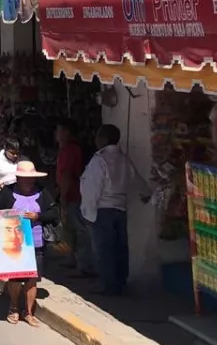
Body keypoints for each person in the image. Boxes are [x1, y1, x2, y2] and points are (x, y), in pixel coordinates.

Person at [81, 124, 151, 296]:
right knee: (120, 247)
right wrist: (145, 193)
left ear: (104, 139)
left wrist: (87, 213)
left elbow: (92, 190)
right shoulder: (123, 159)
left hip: (102, 210)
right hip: (120, 209)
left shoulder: (99, 160)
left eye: (98, 136)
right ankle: (120, 281)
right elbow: (137, 179)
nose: (96, 140)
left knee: (104, 249)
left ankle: (108, 284)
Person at [0, 161, 59, 325]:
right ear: (18, 178)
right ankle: (13, 307)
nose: (28, 181)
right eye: (25, 178)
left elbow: (54, 212)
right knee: (15, 279)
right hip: (14, 243)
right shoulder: (8, 192)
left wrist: (38, 216)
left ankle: (28, 312)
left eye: (31, 178)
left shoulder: (42, 192)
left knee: (32, 279)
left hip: (36, 242)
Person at [55, 119, 94, 276]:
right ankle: (71, 257)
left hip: (73, 194)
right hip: (69, 193)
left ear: (66, 132)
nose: (56, 134)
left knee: (79, 229)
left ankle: (84, 265)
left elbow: (67, 174)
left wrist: (63, 196)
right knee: (69, 228)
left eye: (59, 130)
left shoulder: (70, 149)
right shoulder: (65, 149)